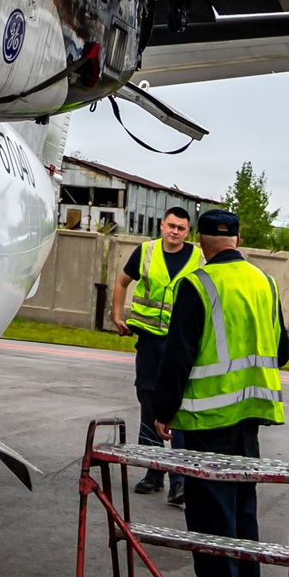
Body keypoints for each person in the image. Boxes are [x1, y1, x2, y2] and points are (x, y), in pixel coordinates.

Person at [146, 207, 289, 577]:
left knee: (211, 516)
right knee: (244, 512)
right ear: (238, 241)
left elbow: (179, 355)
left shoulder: (199, 283)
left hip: (209, 420)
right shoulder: (264, 281)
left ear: (200, 244)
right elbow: (283, 352)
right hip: (252, 417)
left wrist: (164, 408)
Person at [109, 205, 202, 503]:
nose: (175, 231)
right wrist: (116, 314)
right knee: (149, 402)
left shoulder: (200, 258)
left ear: (188, 232)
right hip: (150, 341)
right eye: (171, 226)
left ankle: (180, 480)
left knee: (177, 408)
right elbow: (122, 282)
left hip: (182, 344)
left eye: (182, 228)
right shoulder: (146, 252)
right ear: (162, 226)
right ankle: (152, 473)